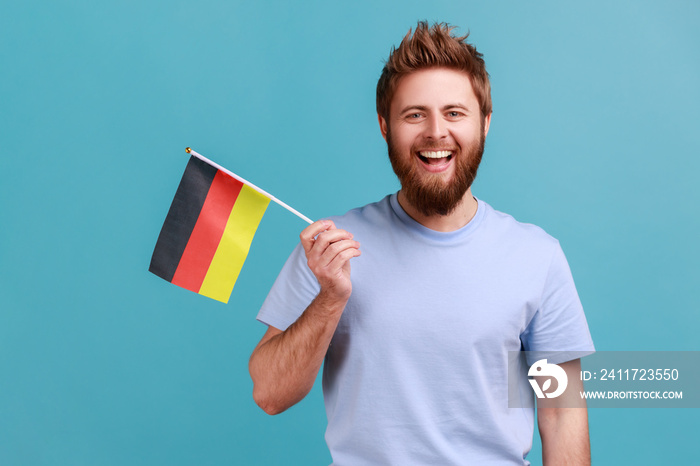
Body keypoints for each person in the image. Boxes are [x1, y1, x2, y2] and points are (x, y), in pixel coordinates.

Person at [249, 21, 594, 465]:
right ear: (384, 126)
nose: (435, 132)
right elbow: (270, 394)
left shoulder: (538, 257)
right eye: (415, 114)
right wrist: (329, 299)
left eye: (454, 113)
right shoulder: (329, 248)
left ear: (485, 123)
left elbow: (562, 414)